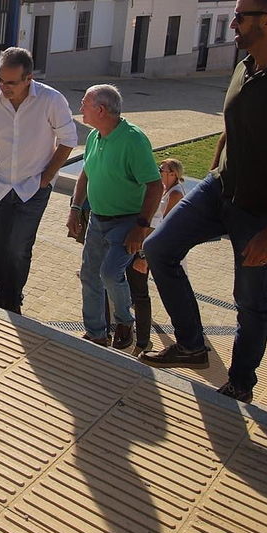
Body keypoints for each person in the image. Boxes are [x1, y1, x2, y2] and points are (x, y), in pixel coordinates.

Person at [141, 0, 267, 402]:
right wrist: (211, 173)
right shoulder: (245, 65)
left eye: (241, 17)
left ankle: (241, 382)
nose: (233, 24)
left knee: (249, 301)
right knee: (158, 249)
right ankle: (191, 345)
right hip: (220, 189)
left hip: (264, 213)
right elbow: (233, 125)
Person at [0, 47, 78, 313]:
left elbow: (69, 139)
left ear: (29, 78)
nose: (4, 87)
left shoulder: (51, 100)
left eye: (11, 82)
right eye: (0, 80)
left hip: (33, 189)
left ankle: (13, 300)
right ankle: (3, 295)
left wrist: (46, 178)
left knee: (19, 249)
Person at [68, 85, 164, 350]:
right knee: (89, 275)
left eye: (84, 104)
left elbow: (156, 186)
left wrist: (141, 228)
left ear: (100, 110)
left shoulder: (133, 140)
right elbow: (85, 175)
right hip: (98, 220)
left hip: (127, 221)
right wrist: (75, 209)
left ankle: (124, 321)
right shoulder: (94, 137)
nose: (80, 109)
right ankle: (96, 333)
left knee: (110, 273)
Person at [125, 159, 187, 355]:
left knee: (154, 291)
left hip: (157, 248)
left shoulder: (175, 194)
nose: (159, 171)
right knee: (140, 290)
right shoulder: (162, 188)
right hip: (149, 245)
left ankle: (146, 341)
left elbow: (164, 227)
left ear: (173, 173)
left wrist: (144, 255)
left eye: (162, 169)